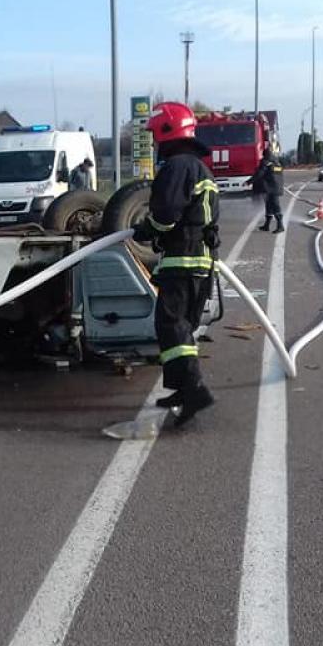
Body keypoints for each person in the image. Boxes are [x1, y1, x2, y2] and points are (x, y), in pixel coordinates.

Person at [133, 102, 219, 426]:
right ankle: (184, 389)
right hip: (200, 263)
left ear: (167, 133)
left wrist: (148, 229)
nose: (155, 144)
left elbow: (166, 213)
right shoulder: (200, 169)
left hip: (182, 262)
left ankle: (194, 388)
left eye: (156, 136)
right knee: (181, 328)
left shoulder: (177, 167)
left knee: (172, 327)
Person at [251, 150, 284, 233]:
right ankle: (267, 225)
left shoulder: (266, 162)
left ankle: (280, 226)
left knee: (275, 206)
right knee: (269, 206)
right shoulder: (277, 162)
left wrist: (249, 181)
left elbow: (259, 173)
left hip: (270, 188)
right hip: (276, 187)